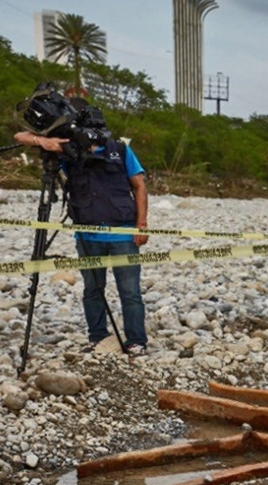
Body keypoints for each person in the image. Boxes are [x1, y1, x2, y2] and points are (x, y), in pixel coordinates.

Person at [13, 103, 150, 356]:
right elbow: (19, 137)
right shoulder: (67, 151)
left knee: (129, 291)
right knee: (92, 290)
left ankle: (136, 341)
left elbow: (139, 186)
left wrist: (141, 224)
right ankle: (98, 337)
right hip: (87, 234)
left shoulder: (120, 150)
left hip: (123, 232)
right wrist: (44, 142)